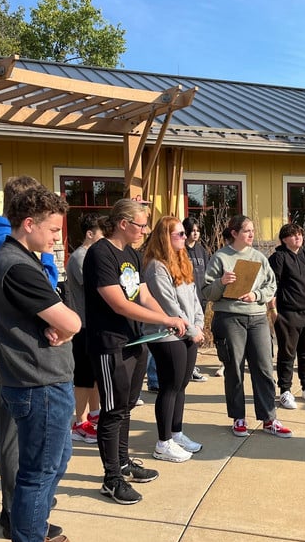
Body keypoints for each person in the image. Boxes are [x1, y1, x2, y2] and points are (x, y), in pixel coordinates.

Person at [0, 185, 82, 542]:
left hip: (41, 380)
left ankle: (34, 535)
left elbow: (61, 317)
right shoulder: (18, 266)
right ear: (29, 224)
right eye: (54, 230)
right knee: (38, 473)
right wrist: (67, 327)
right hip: (37, 383)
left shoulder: (18, 260)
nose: (58, 239)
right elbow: (71, 320)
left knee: (53, 464)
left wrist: (62, 325)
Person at [83, 199, 188, 504]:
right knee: (112, 411)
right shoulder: (99, 254)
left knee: (126, 406)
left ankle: (124, 463)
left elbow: (143, 294)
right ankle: (111, 478)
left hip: (134, 342)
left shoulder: (131, 254)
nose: (145, 230)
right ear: (123, 224)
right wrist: (166, 319)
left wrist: (169, 318)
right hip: (108, 344)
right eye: (141, 225)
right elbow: (118, 303)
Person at [0, 175, 62, 542]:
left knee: (22, 431)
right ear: (27, 214)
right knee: (12, 432)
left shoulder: (12, 241)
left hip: (30, 333)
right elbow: (38, 284)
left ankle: (19, 505)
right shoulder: (4, 242)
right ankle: (15, 512)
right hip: (14, 341)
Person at [202, 214, 292, 438]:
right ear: (234, 233)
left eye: (252, 230)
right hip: (230, 318)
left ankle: (269, 418)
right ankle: (238, 417)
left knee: (263, 367)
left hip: (258, 318)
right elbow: (206, 292)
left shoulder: (259, 257)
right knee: (234, 369)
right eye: (246, 231)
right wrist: (221, 283)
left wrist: (256, 294)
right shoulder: (220, 258)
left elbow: (271, 285)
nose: (251, 234)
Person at [143, 216, 205, 462]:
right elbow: (169, 306)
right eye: (178, 234)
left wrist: (198, 324)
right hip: (167, 335)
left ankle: (176, 433)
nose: (185, 236)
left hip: (188, 333)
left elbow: (194, 298)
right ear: (164, 237)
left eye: (183, 233)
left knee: (181, 385)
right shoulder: (156, 266)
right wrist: (192, 330)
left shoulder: (182, 260)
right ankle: (163, 442)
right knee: (169, 386)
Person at [268, 223, 305, 408]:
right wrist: (273, 313)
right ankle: (285, 391)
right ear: (284, 239)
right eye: (293, 235)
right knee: (287, 354)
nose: (298, 238)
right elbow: (272, 287)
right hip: (288, 314)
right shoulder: (278, 258)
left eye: (300, 234)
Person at [65, 213, 104, 444]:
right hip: (82, 326)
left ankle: (95, 412)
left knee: (95, 375)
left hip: (94, 325)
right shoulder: (80, 257)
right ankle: (79, 423)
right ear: (89, 234)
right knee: (83, 378)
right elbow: (98, 288)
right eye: (100, 234)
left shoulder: (92, 256)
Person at [182, 216, 210, 382]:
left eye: (197, 231)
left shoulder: (201, 251)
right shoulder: (180, 250)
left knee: (197, 331)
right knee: (187, 333)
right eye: (192, 230)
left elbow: (207, 273)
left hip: (201, 298)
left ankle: (192, 366)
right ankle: (188, 367)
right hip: (185, 299)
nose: (195, 234)